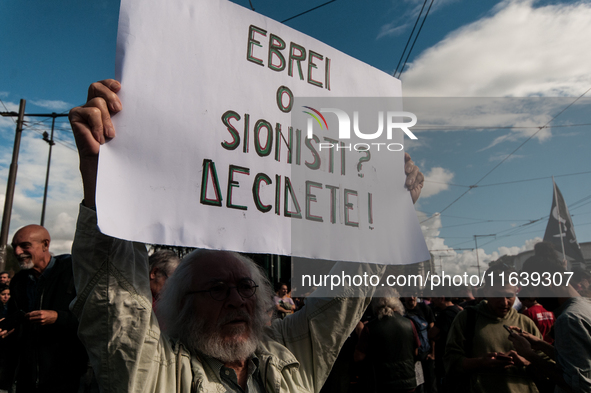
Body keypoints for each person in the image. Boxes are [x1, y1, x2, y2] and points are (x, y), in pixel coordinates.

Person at [67, 79, 425, 392]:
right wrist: (104, 182)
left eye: (245, 287)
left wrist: (391, 212)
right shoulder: (159, 371)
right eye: (217, 289)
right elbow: (117, 304)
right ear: (183, 306)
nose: (237, 299)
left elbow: (344, 295)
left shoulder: (289, 355)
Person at [0, 225, 88, 393]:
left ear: (45, 245)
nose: (18, 252)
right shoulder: (19, 281)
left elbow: (94, 318)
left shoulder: (74, 272)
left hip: (67, 375)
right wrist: (7, 328)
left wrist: (58, 317)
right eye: (15, 246)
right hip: (27, 377)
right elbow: (16, 320)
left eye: (25, 245)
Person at [444, 264, 544, 393]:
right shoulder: (467, 318)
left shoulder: (525, 322)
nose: (504, 302)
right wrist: (481, 363)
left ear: (517, 291)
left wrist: (526, 361)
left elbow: (545, 364)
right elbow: (450, 361)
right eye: (497, 295)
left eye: (509, 296)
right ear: (485, 291)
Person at [509, 245, 591, 393]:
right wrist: (542, 345)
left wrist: (530, 355)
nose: (534, 297)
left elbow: (579, 386)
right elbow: (576, 362)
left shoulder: (569, 319)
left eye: (533, 289)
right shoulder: (586, 305)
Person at [354, 288, 420, 393]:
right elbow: (416, 351)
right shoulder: (409, 324)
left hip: (382, 383)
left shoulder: (370, 328)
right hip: (408, 383)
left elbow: (358, 357)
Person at [428, 289, 461, 393]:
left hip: (444, 358)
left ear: (442, 298)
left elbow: (432, 334)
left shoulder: (445, 314)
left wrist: (436, 335)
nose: (432, 300)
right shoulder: (458, 311)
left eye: (433, 298)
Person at [403, 296, 436, 393]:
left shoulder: (424, 308)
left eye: (414, 295)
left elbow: (432, 331)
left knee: (430, 385)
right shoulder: (401, 309)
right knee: (416, 386)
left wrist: (433, 353)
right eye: (409, 295)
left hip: (426, 355)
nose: (412, 298)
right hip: (410, 357)